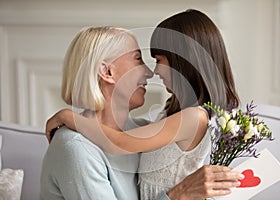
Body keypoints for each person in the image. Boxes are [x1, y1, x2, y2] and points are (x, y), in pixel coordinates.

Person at [45, 9, 243, 200]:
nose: (152, 72)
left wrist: (67, 116)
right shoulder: (77, 148)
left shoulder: (190, 119)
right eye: (138, 59)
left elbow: (120, 141)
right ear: (107, 72)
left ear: (182, 62)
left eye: (158, 60)